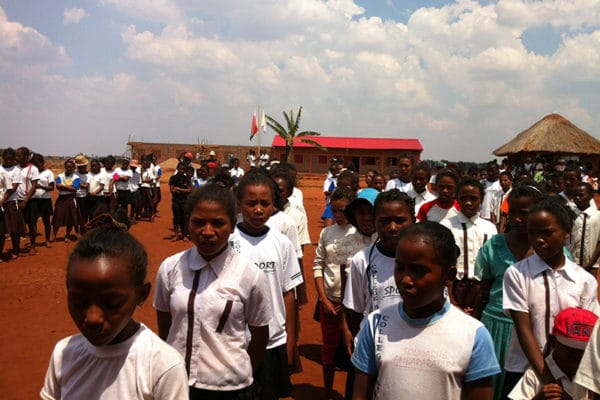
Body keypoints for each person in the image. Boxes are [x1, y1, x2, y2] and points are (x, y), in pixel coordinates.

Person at [351, 222, 500, 400]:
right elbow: (361, 394)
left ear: (449, 276)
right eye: (399, 268)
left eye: (419, 271)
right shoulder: (376, 325)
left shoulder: (473, 335)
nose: (405, 280)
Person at [41, 224, 188, 399]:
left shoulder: (163, 366)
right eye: (79, 301)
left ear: (142, 294)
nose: (93, 318)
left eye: (112, 303)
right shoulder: (64, 354)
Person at [154, 184, 272, 399]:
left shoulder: (250, 275)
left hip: (230, 388)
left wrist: (239, 372)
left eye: (218, 223)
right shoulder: (170, 268)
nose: (207, 232)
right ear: (188, 221)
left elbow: (260, 335)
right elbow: (166, 325)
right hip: (178, 384)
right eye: (198, 222)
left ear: (232, 225)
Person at [502, 197, 600, 396]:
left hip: (569, 374)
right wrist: (548, 378)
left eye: (547, 233)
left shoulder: (584, 280)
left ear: (566, 232)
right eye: (532, 233)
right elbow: (523, 328)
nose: (538, 239)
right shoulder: (517, 273)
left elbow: (588, 335)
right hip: (525, 369)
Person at [229, 172, 303, 400]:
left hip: (273, 340)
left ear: (274, 205)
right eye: (251, 203)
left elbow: (289, 293)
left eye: (265, 203)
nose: (258, 210)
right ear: (239, 205)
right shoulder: (229, 241)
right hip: (236, 341)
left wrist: (290, 341)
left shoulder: (281, 243)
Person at [474, 185, 545, 400]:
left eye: (524, 213)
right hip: (494, 326)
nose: (516, 218)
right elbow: (483, 289)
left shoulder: (549, 249)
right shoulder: (493, 246)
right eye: (512, 212)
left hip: (535, 331)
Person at [313, 186, 370, 399]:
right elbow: (318, 265)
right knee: (328, 350)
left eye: (343, 210)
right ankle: (327, 392)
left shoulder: (363, 234)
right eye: (334, 210)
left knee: (356, 349)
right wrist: (322, 298)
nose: (338, 215)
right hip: (332, 301)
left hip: (356, 305)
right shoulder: (327, 233)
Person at [343, 189, 415, 332]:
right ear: (375, 222)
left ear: (413, 220)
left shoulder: (425, 259)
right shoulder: (362, 260)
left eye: (400, 220)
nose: (393, 228)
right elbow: (355, 310)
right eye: (384, 221)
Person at [509, 307, 598, 400]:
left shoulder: (590, 376)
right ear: (552, 341)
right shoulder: (534, 375)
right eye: (571, 352)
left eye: (584, 353)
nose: (578, 358)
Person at [441, 177, 497, 313]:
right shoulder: (446, 225)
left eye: (473, 199)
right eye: (464, 198)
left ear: (481, 200)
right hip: (455, 287)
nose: (468, 203)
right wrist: (450, 295)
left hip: (481, 290)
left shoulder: (489, 228)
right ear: (457, 198)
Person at [568, 182, 600, 271]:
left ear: (591, 196)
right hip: (571, 264)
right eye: (575, 195)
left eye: (581, 195)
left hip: (592, 266)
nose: (577, 198)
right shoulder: (569, 214)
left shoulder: (597, 216)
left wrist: (589, 264)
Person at [15, 147, 39, 255]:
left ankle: (33, 246)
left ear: (26, 157)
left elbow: (34, 186)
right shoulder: (15, 168)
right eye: (16, 155)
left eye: (19, 155)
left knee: (32, 224)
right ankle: (16, 248)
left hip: (30, 201)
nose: (17, 158)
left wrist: (25, 200)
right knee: (17, 225)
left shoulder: (33, 169)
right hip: (16, 200)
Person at [51, 159, 81, 243]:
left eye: (71, 167)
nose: (69, 168)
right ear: (65, 167)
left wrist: (63, 186)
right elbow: (57, 186)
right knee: (57, 216)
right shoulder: (60, 175)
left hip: (71, 198)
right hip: (61, 198)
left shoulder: (76, 177)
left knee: (70, 218)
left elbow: (74, 188)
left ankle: (67, 235)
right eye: (67, 167)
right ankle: (54, 235)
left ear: (73, 168)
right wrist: (69, 187)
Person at [31, 153, 55, 249]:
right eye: (34, 164)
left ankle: (47, 240)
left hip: (45, 200)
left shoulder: (48, 173)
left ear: (42, 162)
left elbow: (52, 187)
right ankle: (33, 243)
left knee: (46, 221)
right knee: (33, 222)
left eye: (37, 163)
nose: (36, 166)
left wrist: (41, 186)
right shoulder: (32, 172)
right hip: (34, 200)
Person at [169, 162, 192, 241]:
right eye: (180, 169)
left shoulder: (187, 179)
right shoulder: (173, 178)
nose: (182, 171)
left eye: (183, 169)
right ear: (177, 169)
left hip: (185, 201)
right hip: (176, 201)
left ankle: (184, 235)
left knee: (185, 218)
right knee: (176, 217)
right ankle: (176, 235)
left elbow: (189, 190)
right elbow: (172, 190)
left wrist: (178, 189)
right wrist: (184, 191)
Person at [74, 154, 90, 230]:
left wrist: (78, 183)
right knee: (75, 214)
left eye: (83, 166)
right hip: (75, 196)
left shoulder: (88, 175)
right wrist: (81, 184)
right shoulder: (74, 173)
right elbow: (74, 184)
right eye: (79, 166)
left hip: (85, 197)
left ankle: (83, 229)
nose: (81, 167)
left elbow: (86, 186)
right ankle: (77, 231)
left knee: (84, 214)